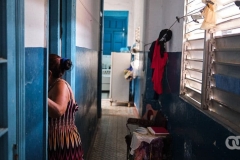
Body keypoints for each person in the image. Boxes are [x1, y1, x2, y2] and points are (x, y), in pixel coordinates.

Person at [48, 54, 84, 160]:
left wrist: (41, 96)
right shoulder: (56, 85)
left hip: (63, 141)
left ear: (49, 73)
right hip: (61, 140)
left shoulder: (61, 85)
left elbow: (59, 110)